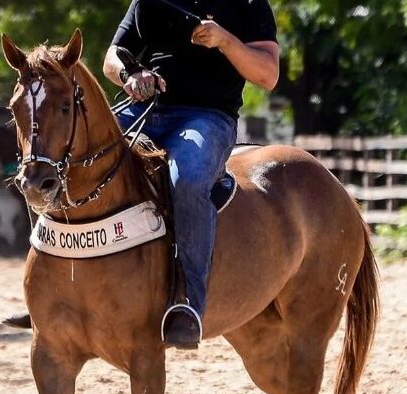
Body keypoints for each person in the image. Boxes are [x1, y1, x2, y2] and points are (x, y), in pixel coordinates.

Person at [103, 0, 280, 348]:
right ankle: (58, 288)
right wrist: (131, 75)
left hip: (208, 117)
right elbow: (113, 56)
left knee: (186, 180)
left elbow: (267, 75)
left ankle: (188, 303)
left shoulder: (248, 4)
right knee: (79, 153)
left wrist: (226, 41)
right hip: (145, 109)